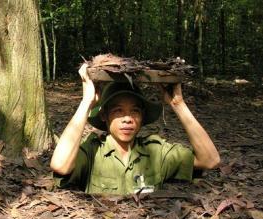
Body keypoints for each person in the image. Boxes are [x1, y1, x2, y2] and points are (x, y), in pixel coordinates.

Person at [50, 63, 220, 195]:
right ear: (104, 116)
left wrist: (178, 104)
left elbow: (210, 160)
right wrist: (86, 102)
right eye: (118, 111)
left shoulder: (156, 151)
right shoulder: (94, 151)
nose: (127, 119)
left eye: (135, 111)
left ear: (142, 117)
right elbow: (60, 165)